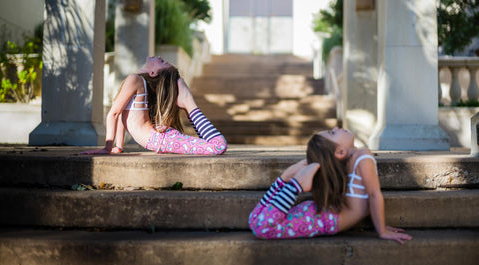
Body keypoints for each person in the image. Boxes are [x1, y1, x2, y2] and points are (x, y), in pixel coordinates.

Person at [248, 127, 412, 244]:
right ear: (340, 152)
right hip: (323, 218)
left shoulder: (354, 160)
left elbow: (366, 197)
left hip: (322, 216)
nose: (336, 127)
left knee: (256, 221)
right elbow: (374, 195)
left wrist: (380, 222)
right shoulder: (363, 156)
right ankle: (294, 185)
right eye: (333, 132)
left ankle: (285, 180)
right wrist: (381, 231)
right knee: (261, 226)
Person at [81, 56, 227, 155]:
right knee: (210, 144)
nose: (158, 57)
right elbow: (120, 115)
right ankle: (187, 102)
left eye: (162, 61)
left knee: (217, 145)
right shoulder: (136, 81)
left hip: (161, 139)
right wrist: (118, 146)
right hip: (160, 138)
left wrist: (107, 147)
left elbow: (113, 114)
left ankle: (188, 103)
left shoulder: (135, 80)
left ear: (153, 73)